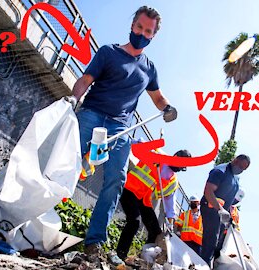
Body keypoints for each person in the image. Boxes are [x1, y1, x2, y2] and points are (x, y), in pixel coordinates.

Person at [68, 5, 178, 260]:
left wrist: (169, 109)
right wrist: (71, 100)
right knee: (68, 162)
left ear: (153, 36)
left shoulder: (149, 69)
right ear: (132, 26)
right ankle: (36, 210)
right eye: (139, 27)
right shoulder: (108, 52)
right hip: (92, 115)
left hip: (120, 129)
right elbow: (85, 80)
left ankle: (93, 243)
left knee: (116, 180)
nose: (142, 32)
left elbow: (159, 98)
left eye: (147, 31)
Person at [116, 150, 191, 261]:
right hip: (130, 190)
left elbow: (170, 206)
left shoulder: (173, 182)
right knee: (134, 222)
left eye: (182, 167)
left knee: (156, 232)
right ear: (175, 156)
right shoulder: (157, 156)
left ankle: (145, 258)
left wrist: (170, 224)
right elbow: (139, 148)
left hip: (144, 200)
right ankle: (121, 254)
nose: (179, 168)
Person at [199, 154, 251, 266]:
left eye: (244, 169)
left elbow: (229, 199)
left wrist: (228, 215)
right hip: (210, 208)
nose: (241, 170)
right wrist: (220, 209)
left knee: (218, 244)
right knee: (211, 240)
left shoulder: (235, 178)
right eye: (241, 167)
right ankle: (203, 265)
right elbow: (208, 191)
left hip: (221, 214)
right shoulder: (220, 171)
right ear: (235, 160)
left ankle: (208, 264)